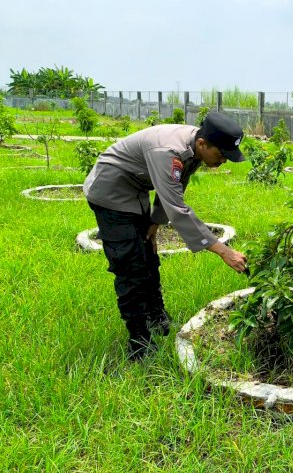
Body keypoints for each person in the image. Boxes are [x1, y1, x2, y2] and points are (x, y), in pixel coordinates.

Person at [84, 111, 248, 360]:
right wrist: (224, 251)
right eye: (222, 154)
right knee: (130, 264)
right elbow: (178, 210)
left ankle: (155, 313)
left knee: (148, 253)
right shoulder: (168, 152)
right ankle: (139, 340)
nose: (224, 160)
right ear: (203, 144)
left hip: (135, 188)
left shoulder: (194, 147)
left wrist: (155, 221)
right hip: (111, 191)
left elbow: (174, 186)